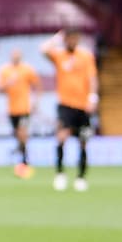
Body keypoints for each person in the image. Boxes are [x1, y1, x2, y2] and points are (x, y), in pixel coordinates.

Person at [41, 29, 98, 191]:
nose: (72, 42)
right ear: (66, 40)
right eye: (69, 39)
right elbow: (43, 50)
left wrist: (92, 98)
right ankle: (60, 174)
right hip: (65, 104)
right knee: (61, 137)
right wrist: (56, 38)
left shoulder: (86, 56)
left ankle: (81, 177)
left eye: (75, 39)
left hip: (83, 106)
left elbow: (92, 78)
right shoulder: (59, 55)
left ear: (78, 39)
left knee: (83, 142)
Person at [0, 48, 40, 179]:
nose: (16, 58)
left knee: (22, 132)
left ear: (21, 57)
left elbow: (37, 85)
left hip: (24, 108)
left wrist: (36, 101)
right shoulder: (5, 71)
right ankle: (22, 155)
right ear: (11, 57)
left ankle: (24, 162)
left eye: (18, 56)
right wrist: (7, 84)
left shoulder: (27, 70)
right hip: (12, 109)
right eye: (14, 56)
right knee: (18, 135)